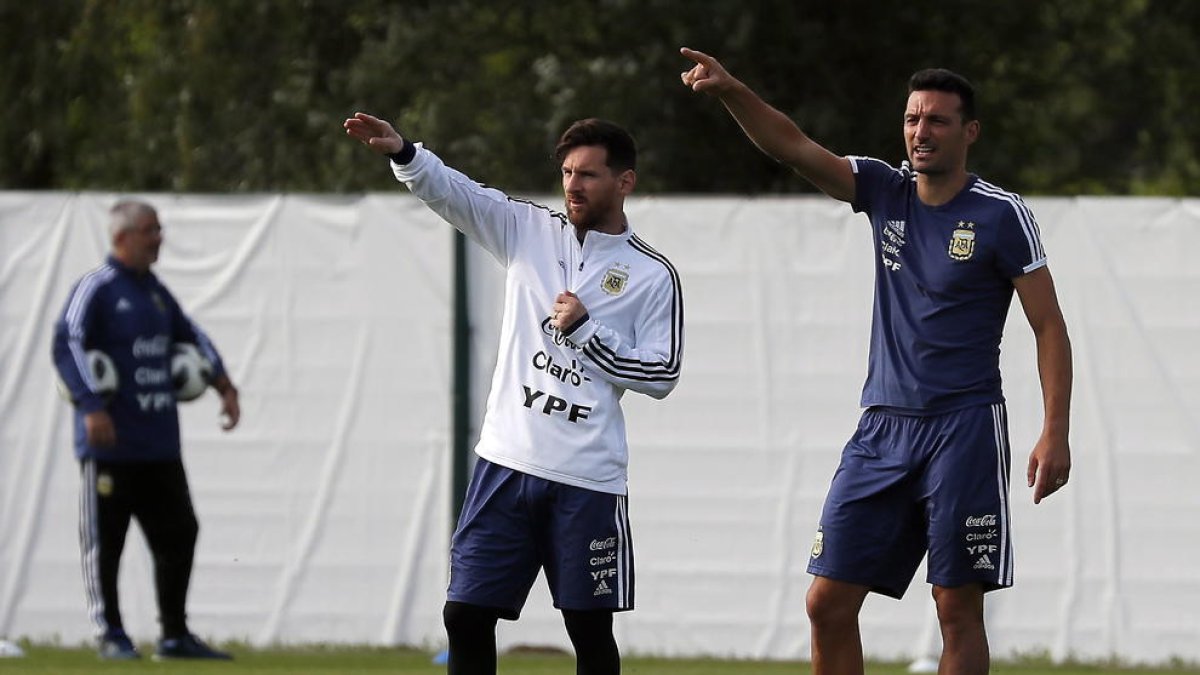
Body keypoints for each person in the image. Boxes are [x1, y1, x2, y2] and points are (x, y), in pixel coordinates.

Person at [680, 48, 1072, 675]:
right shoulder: (884, 190)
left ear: (968, 132)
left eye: (938, 120)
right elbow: (793, 146)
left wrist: (1055, 432)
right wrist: (731, 90)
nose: (921, 132)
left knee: (955, 608)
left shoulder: (1002, 215)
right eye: (913, 119)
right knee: (826, 603)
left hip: (964, 429)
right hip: (881, 429)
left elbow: (1049, 327)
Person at [344, 112, 683, 675]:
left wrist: (585, 330)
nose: (574, 185)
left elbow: (662, 373)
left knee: (589, 630)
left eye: (590, 174)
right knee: (467, 616)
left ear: (625, 182)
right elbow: (460, 195)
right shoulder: (528, 230)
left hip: (587, 478)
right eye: (567, 173)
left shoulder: (652, 275)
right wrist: (405, 154)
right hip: (505, 462)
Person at [51, 200, 241, 661]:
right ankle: (110, 634)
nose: (159, 239)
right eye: (149, 231)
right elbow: (66, 342)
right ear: (122, 237)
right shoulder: (96, 289)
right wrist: (92, 406)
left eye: (159, 230)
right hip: (110, 445)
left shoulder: (155, 292)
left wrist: (223, 385)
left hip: (159, 444)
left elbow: (191, 336)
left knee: (180, 532)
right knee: (106, 544)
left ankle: (174, 636)